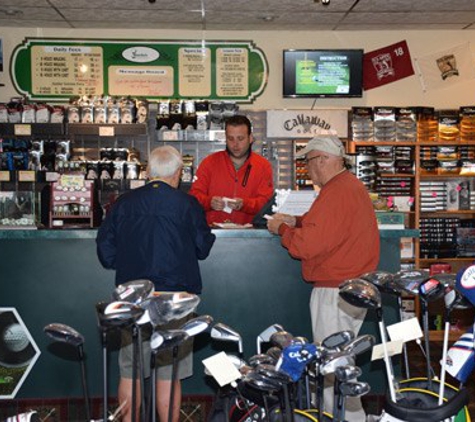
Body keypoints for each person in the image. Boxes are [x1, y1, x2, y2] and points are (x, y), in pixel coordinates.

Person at [96, 145, 216, 422]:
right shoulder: (187, 204)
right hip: (175, 300)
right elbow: (203, 248)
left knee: (131, 370)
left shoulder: (123, 203)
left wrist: (129, 262)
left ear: (148, 172)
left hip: (134, 299)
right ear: (178, 174)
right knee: (169, 373)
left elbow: (105, 252)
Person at [267, 135, 380, 422]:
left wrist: (282, 229)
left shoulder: (336, 191)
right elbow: (331, 225)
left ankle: (346, 418)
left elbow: (306, 246)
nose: (307, 167)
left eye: (308, 160)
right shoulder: (348, 186)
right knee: (340, 362)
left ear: (324, 159)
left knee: (334, 367)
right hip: (353, 286)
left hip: (335, 290)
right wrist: (299, 221)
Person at [189, 115, 274, 225]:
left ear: (251, 138)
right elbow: (194, 197)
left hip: (250, 235)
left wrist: (245, 204)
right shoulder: (209, 163)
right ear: (225, 138)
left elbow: (266, 204)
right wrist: (209, 202)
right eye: (230, 138)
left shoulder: (263, 166)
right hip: (213, 234)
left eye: (240, 138)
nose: (235, 144)